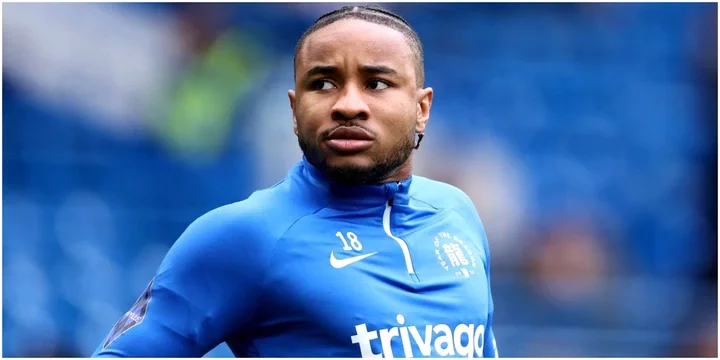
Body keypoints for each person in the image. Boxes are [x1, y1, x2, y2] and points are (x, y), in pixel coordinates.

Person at [93, 4, 498, 358]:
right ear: (294, 108)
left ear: (421, 108)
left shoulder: (457, 214)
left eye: (376, 83)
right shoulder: (244, 234)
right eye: (322, 83)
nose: (349, 105)